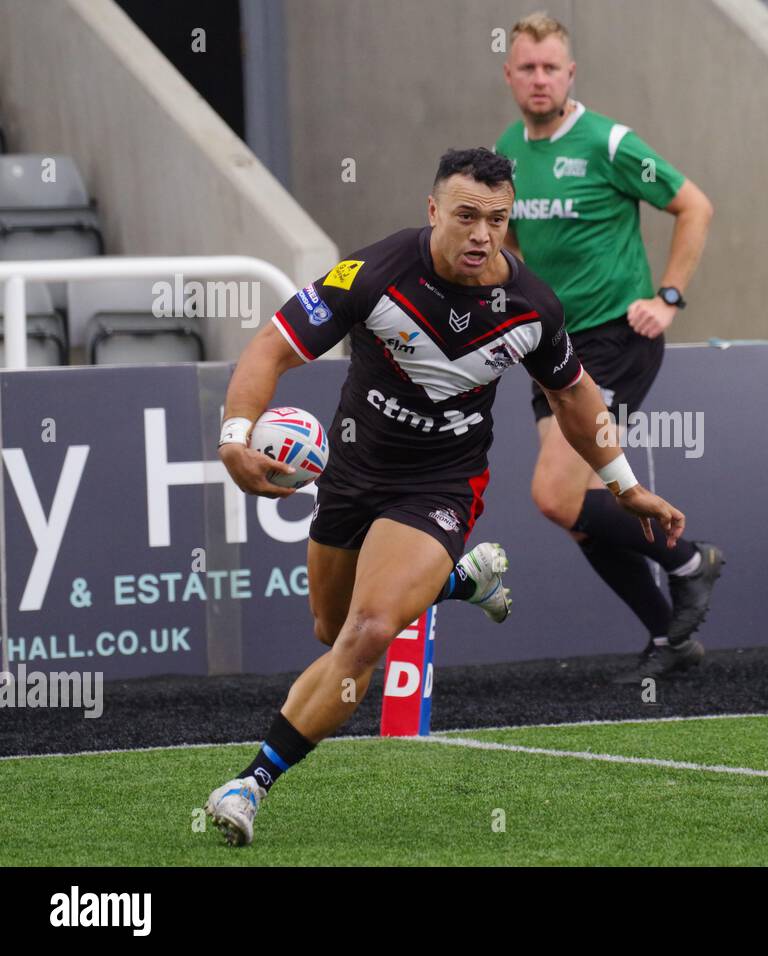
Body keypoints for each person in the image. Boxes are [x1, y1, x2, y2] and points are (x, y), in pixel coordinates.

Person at [204, 147, 685, 845]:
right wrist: (233, 438)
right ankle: (462, 581)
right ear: (433, 211)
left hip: (438, 486)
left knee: (368, 634)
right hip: (353, 473)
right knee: (329, 630)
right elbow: (270, 349)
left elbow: (575, 396)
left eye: (497, 219)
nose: (483, 234)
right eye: (466, 216)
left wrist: (625, 484)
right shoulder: (372, 275)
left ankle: (250, 783)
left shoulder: (531, 306)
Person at [495, 12, 721, 683]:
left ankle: (690, 561)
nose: (540, 78)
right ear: (509, 75)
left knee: (556, 497)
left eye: (551, 67)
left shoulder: (608, 141)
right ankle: (669, 634)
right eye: (527, 68)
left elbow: (694, 205)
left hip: (614, 340)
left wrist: (669, 296)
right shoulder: (508, 149)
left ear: (571, 74)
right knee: (579, 517)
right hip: (551, 346)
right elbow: (509, 240)